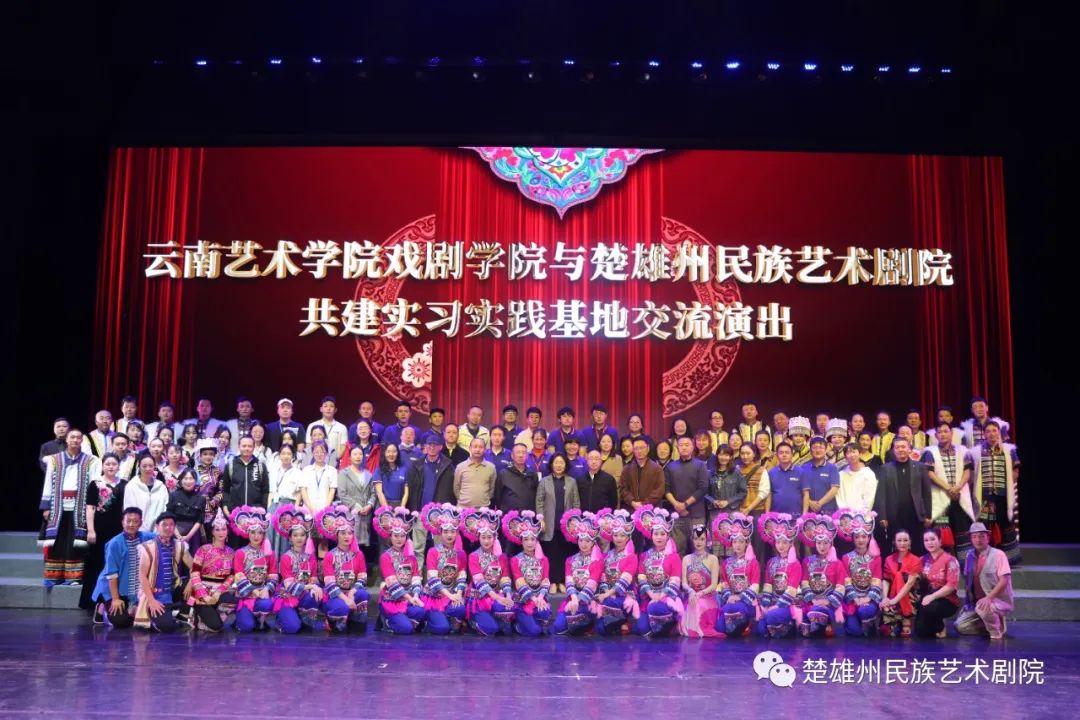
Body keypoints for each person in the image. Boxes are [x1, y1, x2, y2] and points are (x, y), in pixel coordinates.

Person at [39, 429, 100, 587]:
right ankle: (53, 576)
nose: (75, 440)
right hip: (57, 506)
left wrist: (92, 505)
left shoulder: (91, 460)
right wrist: (46, 506)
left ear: (82, 441)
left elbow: (94, 485)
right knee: (57, 541)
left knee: (75, 542)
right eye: (72, 437)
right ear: (66, 439)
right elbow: (48, 482)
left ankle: (73, 577)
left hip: (80, 506)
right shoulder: (55, 459)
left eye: (79, 437)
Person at [79, 452, 129, 610]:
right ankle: (91, 601)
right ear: (102, 466)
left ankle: (113, 599)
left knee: (115, 565)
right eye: (108, 464)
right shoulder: (95, 484)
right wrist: (91, 530)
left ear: (119, 466)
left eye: (114, 464)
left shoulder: (124, 484)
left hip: (118, 530)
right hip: (99, 530)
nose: (111, 467)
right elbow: (90, 508)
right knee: (96, 564)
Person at [90, 507, 154, 627]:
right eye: (128, 521)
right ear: (122, 522)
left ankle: (132, 608)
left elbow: (163, 537)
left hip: (135, 588)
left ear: (140, 523)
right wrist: (115, 599)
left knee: (145, 617)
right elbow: (112, 574)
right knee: (121, 621)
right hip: (112, 587)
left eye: (135, 521)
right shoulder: (114, 544)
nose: (131, 524)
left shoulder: (147, 537)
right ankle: (102, 607)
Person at [968, 421, 1021, 563]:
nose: (991, 434)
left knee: (1006, 523)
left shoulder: (1009, 450)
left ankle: (1010, 559)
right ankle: (985, 557)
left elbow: (1015, 471)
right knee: (986, 526)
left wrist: (1009, 483)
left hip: (1003, 495)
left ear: (999, 432)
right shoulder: (976, 452)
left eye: (994, 430)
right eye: (988, 431)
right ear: (984, 434)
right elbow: (971, 473)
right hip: (985, 496)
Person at [134, 512, 193, 633]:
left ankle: (182, 615)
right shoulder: (147, 547)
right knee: (167, 627)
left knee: (195, 584)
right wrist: (151, 601)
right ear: (157, 526)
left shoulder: (179, 545)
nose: (168, 527)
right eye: (164, 524)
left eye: (171, 525)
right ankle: (162, 615)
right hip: (154, 594)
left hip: (172, 590)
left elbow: (195, 567)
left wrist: (191, 583)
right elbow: (142, 576)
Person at [923, 422, 976, 556]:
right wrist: (948, 488)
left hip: (960, 497)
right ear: (936, 435)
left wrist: (958, 487)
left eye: (946, 431)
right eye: (939, 432)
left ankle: (964, 562)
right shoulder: (930, 452)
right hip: (941, 499)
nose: (943, 434)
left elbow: (967, 472)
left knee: (962, 529)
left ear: (952, 433)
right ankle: (943, 562)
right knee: (942, 530)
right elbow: (930, 473)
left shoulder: (963, 450)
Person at [955, 521, 1014, 640]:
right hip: (977, 602)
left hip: (996, 600)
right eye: (974, 536)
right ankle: (994, 621)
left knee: (982, 608)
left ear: (988, 537)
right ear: (971, 539)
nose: (978, 540)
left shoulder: (998, 554)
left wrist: (989, 598)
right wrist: (968, 603)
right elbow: (968, 583)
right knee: (960, 627)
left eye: (982, 536)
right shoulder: (969, 555)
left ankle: (995, 631)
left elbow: (1004, 580)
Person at [874, 437, 933, 555]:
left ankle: (916, 567)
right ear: (893, 451)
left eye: (903, 447)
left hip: (915, 514)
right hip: (894, 515)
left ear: (909, 449)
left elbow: (926, 492)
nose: (900, 449)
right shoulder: (886, 468)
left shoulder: (920, 467)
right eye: (897, 447)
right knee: (896, 547)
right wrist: (883, 516)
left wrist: (928, 515)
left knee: (916, 546)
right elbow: (881, 493)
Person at [372, 506, 426, 634]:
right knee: (406, 629)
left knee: (422, 611)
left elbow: (416, 578)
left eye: (402, 536)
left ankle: (403, 619)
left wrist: (416, 595)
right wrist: (410, 598)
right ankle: (385, 621)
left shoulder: (411, 557)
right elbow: (392, 584)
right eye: (396, 535)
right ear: (390, 536)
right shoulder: (386, 557)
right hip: (392, 600)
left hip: (408, 599)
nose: (399, 539)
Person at [272, 504, 325, 634]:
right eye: (295, 535)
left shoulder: (311, 557)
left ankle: (304, 619)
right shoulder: (286, 557)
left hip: (304, 596)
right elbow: (290, 586)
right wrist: (310, 586)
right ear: (290, 538)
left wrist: (314, 586)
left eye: (302, 535)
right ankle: (281, 618)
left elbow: (314, 580)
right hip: (288, 596)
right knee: (292, 628)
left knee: (315, 594)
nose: (299, 538)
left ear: (306, 537)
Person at [316, 504, 369, 633]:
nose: (347, 536)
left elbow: (362, 578)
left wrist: (352, 591)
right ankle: (331, 620)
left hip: (351, 593)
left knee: (362, 594)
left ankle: (354, 620)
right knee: (340, 624)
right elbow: (330, 585)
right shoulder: (330, 556)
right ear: (337, 535)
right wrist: (346, 599)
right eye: (343, 533)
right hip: (335, 596)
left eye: (350, 533)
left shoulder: (359, 554)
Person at [461, 507, 514, 636]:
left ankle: (495, 619)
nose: (486, 541)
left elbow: (505, 578)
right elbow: (480, 582)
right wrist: (498, 598)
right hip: (479, 598)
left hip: (497, 596)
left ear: (495, 537)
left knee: (508, 623)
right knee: (491, 630)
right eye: (483, 537)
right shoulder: (474, 556)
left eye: (489, 537)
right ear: (478, 537)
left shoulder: (502, 557)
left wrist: (507, 596)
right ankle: (473, 621)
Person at [633, 506, 683, 637]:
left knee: (656, 609)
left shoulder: (674, 557)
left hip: (667, 598)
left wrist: (661, 596)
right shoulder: (644, 556)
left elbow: (675, 582)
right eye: (656, 534)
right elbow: (642, 579)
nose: (659, 537)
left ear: (668, 535)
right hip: (650, 598)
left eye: (662, 534)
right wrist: (651, 595)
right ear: (651, 535)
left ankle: (671, 622)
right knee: (641, 629)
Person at [419, 502, 468, 634]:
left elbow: (461, 577)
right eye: (445, 531)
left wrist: (458, 594)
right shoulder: (433, 552)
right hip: (434, 597)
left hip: (451, 595)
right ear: (440, 533)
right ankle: (429, 620)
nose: (449, 535)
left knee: (461, 608)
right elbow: (433, 580)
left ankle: (446, 617)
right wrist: (450, 596)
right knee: (443, 629)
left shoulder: (461, 554)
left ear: (457, 533)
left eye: (452, 531)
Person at [229, 506, 279, 632]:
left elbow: (273, 575)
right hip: (245, 596)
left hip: (262, 594)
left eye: (260, 532)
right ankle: (243, 618)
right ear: (248, 533)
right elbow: (239, 577)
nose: (256, 536)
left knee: (268, 603)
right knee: (247, 627)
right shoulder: (240, 553)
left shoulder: (270, 553)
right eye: (253, 532)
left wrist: (266, 589)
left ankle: (260, 619)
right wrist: (254, 591)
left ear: (264, 534)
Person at [552, 510, 603, 636]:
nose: (583, 544)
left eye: (587, 541)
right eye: (581, 540)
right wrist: (574, 599)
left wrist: (578, 600)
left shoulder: (598, 560)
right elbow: (569, 582)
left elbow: (592, 585)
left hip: (590, 601)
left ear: (593, 542)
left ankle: (590, 622)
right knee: (558, 628)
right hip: (573, 599)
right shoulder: (570, 560)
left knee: (587, 627)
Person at [502, 510, 552, 636]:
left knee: (545, 616)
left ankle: (534, 621)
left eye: (532, 539)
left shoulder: (544, 559)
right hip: (524, 601)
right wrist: (534, 599)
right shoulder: (515, 560)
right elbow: (520, 583)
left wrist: (540, 597)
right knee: (535, 632)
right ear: (521, 541)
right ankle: (517, 625)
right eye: (526, 539)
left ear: (536, 540)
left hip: (539, 599)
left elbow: (546, 580)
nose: (530, 543)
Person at [834, 508, 882, 637]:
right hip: (853, 601)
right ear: (853, 539)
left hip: (869, 600)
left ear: (869, 537)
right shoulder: (846, 558)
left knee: (865, 611)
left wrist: (867, 598)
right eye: (857, 537)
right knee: (855, 631)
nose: (860, 540)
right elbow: (847, 582)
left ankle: (870, 621)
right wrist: (856, 599)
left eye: (864, 536)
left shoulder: (876, 558)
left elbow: (877, 580)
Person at [185, 512, 237, 632]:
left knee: (234, 601)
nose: (221, 532)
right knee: (216, 627)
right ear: (212, 532)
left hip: (220, 590)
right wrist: (204, 595)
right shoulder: (203, 550)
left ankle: (210, 614)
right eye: (217, 529)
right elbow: (195, 573)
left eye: (223, 529)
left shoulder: (231, 552)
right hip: (202, 590)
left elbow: (231, 576)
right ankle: (197, 616)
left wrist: (219, 592)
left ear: (227, 531)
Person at [536, 453, 580, 592]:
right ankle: (552, 582)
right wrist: (541, 519)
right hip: (549, 524)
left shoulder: (572, 482)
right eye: (556, 462)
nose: (559, 465)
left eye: (561, 462)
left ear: (566, 465)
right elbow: (539, 502)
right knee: (551, 553)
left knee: (564, 554)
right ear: (551, 464)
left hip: (566, 525)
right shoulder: (544, 481)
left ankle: (562, 581)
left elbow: (576, 503)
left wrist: (574, 521)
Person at [796, 512, 844, 637]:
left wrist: (827, 601)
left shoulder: (837, 563)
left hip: (830, 604)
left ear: (831, 543)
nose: (822, 546)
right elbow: (804, 583)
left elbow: (840, 587)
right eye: (819, 543)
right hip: (812, 602)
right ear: (815, 543)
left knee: (815, 616)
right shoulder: (807, 561)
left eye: (825, 543)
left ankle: (825, 623)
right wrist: (813, 600)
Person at [756, 512, 802, 638]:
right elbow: (768, 586)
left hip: (789, 604)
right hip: (773, 602)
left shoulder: (795, 564)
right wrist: (765, 606)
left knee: (771, 616)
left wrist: (775, 607)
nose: (781, 546)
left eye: (784, 542)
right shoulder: (771, 562)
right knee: (759, 628)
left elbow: (791, 592)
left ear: (791, 543)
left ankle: (789, 625)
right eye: (778, 542)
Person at [593, 508, 639, 636]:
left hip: (625, 595)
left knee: (604, 625)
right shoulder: (608, 555)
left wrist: (608, 594)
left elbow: (624, 582)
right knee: (599, 629)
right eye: (616, 535)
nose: (619, 538)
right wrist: (605, 592)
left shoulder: (631, 557)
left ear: (628, 537)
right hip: (608, 594)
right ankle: (618, 623)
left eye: (622, 535)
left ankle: (623, 620)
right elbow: (603, 577)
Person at [406, 434, 455, 552]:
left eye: (435, 445)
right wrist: (413, 509)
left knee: (440, 547)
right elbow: (411, 489)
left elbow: (451, 489)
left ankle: (439, 565)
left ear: (441, 447)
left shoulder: (448, 466)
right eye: (429, 445)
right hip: (420, 512)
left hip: (439, 514)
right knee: (418, 547)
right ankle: (417, 565)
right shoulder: (416, 465)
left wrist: (446, 510)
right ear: (425, 447)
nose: (432, 447)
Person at [713, 512, 760, 637]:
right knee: (719, 627)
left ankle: (746, 623)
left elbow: (755, 586)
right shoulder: (726, 563)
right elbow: (724, 583)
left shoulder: (753, 562)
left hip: (747, 601)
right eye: (735, 542)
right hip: (731, 600)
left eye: (741, 542)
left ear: (746, 543)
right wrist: (729, 596)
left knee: (732, 613)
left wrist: (739, 597)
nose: (737, 545)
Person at [664, 436, 709, 555]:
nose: (684, 447)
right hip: (677, 515)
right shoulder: (670, 466)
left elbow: (703, 488)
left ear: (693, 447)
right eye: (681, 445)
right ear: (677, 447)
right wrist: (677, 505)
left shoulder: (700, 465)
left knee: (699, 549)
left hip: (696, 515)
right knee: (677, 550)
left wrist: (685, 504)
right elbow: (666, 490)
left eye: (687, 445)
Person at [493, 444, 540, 555]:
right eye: (518, 452)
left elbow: (536, 496)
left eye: (523, 452)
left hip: (528, 521)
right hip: (509, 522)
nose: (520, 455)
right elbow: (497, 497)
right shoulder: (503, 473)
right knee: (508, 552)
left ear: (527, 455)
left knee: (527, 552)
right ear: (512, 456)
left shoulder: (532, 474)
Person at [915, 527, 960, 638]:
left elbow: (951, 586)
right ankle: (934, 625)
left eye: (932, 539)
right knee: (920, 630)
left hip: (946, 600)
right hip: (926, 599)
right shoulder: (921, 560)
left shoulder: (950, 560)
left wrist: (932, 597)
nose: (929, 543)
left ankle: (941, 626)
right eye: (926, 540)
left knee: (929, 607)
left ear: (940, 541)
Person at [678, 524, 721, 638]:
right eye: (696, 538)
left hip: (707, 598)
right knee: (692, 603)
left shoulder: (713, 559)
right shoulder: (686, 559)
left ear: (707, 540)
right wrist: (691, 591)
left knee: (697, 603)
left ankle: (697, 628)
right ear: (692, 540)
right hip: (691, 597)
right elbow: (684, 583)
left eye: (702, 539)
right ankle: (691, 628)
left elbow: (714, 585)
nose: (699, 542)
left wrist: (699, 594)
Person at [222, 437, 271, 536]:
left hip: (256, 516)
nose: (247, 448)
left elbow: (265, 490)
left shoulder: (260, 465)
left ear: (253, 447)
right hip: (235, 515)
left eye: (249, 446)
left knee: (254, 543)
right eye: (244, 446)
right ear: (239, 447)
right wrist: (226, 507)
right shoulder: (230, 465)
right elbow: (225, 489)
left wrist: (263, 509)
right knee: (235, 543)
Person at [879, 528, 923, 637]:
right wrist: (885, 598)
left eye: (905, 540)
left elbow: (909, 584)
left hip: (909, 595)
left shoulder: (916, 560)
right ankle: (896, 619)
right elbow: (886, 580)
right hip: (892, 595)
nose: (902, 543)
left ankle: (906, 618)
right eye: (899, 540)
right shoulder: (889, 559)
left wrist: (894, 601)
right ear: (894, 542)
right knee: (886, 632)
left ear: (910, 542)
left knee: (904, 634)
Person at [268, 444, 303, 555]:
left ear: (293, 456)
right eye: (283, 453)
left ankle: (284, 563)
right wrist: (268, 509)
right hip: (274, 505)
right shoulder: (274, 470)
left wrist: (295, 510)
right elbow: (271, 492)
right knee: (271, 535)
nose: (286, 456)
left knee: (285, 537)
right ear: (279, 455)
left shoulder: (298, 472)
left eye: (289, 454)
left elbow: (299, 493)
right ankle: (272, 563)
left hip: (289, 506)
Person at [619, 437, 665, 514]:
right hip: (631, 509)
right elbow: (623, 488)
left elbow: (659, 490)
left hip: (651, 510)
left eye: (642, 448)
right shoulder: (627, 468)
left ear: (648, 448)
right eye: (636, 448)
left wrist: (644, 504)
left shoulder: (657, 468)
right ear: (633, 450)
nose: (639, 451)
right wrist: (632, 502)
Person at [125, 455, 169, 533]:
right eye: (144, 466)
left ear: (154, 467)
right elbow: (129, 510)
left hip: (158, 532)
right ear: (139, 467)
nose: (148, 469)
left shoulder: (161, 487)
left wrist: (159, 528)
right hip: (137, 531)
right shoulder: (131, 486)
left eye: (150, 466)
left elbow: (164, 508)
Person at [166, 470, 205, 553]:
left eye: (191, 478)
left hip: (193, 534)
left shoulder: (201, 498)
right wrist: (178, 536)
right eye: (185, 478)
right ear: (181, 480)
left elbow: (199, 520)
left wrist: (188, 537)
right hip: (175, 531)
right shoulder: (173, 495)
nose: (188, 481)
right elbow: (169, 517)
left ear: (195, 480)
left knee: (192, 558)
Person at [193, 439, 224, 538]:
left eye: (211, 454)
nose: (208, 457)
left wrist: (214, 501)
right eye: (205, 454)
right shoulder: (194, 471)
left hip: (213, 510)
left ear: (214, 455)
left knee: (212, 537)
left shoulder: (218, 471)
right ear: (200, 455)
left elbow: (221, 490)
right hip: (196, 509)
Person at [454, 437, 497, 511]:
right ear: (470, 448)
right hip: (463, 509)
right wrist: (464, 501)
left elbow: (492, 489)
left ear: (485, 449)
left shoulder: (491, 467)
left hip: (483, 509)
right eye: (475, 446)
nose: (477, 450)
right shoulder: (460, 466)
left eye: (481, 447)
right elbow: (456, 488)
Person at [801, 436, 841, 515]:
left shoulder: (832, 468)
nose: (818, 450)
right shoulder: (803, 468)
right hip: (809, 512)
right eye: (815, 447)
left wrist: (820, 503)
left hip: (828, 512)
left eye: (821, 447)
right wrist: (810, 502)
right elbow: (799, 489)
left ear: (826, 450)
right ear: (810, 451)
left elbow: (834, 489)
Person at [766, 443, 802, 517]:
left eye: (787, 452)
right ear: (777, 455)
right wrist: (767, 514)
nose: (784, 455)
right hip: (776, 516)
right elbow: (769, 495)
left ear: (792, 455)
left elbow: (806, 494)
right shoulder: (771, 472)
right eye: (781, 453)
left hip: (796, 515)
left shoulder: (801, 472)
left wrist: (804, 515)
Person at [373, 443, 409, 510]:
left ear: (398, 453)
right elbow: (379, 493)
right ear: (384, 453)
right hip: (383, 505)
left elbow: (406, 492)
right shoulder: (379, 470)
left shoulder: (403, 470)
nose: (391, 454)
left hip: (399, 506)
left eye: (394, 451)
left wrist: (401, 508)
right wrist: (387, 509)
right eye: (388, 451)